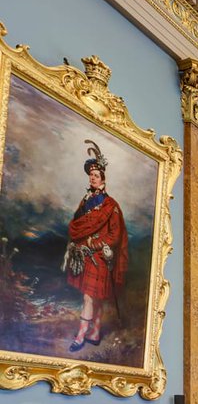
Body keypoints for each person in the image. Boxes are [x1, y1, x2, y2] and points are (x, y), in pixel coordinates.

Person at [62, 140, 128, 352]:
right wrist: (83, 245)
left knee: (89, 297)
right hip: (84, 254)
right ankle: (95, 332)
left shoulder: (111, 206)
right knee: (94, 297)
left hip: (99, 256)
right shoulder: (85, 201)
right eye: (91, 175)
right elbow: (77, 224)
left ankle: (81, 336)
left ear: (103, 180)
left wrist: (94, 244)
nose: (92, 178)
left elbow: (114, 236)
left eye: (96, 175)